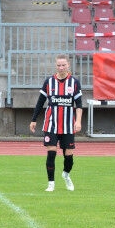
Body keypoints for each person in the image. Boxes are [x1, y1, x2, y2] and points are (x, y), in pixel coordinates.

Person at [29, 54, 83, 192]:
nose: (61, 67)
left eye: (63, 65)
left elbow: (79, 105)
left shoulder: (74, 82)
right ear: (55, 66)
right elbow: (40, 102)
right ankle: (51, 183)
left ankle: (66, 174)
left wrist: (78, 121)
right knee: (51, 153)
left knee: (68, 156)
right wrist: (34, 119)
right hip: (51, 125)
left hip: (68, 126)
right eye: (59, 65)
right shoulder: (49, 82)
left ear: (68, 65)